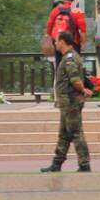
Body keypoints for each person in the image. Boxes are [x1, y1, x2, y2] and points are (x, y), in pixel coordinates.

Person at [40, 31, 92, 173]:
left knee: (75, 132)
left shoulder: (69, 58)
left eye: (56, 41)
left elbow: (74, 80)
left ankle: (84, 164)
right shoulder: (69, 57)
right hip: (67, 102)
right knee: (64, 133)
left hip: (71, 102)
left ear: (62, 42)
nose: (55, 43)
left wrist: (83, 90)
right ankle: (57, 163)